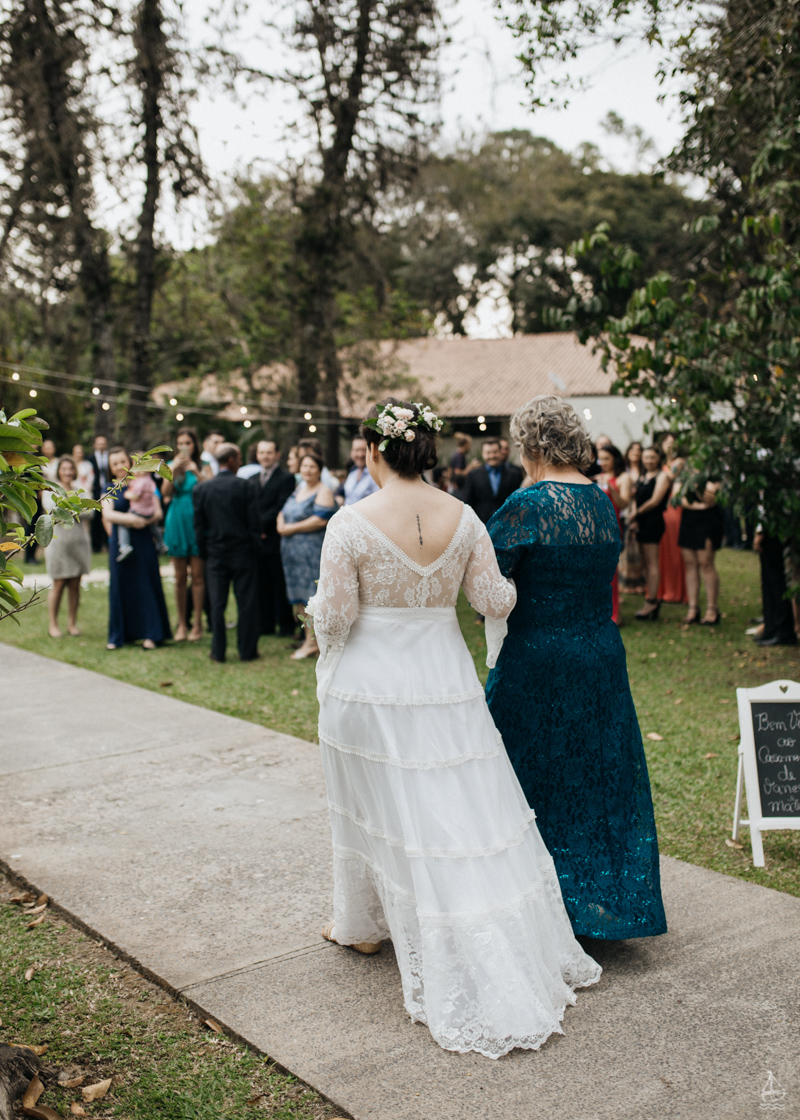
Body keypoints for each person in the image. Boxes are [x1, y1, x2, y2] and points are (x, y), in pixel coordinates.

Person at [306, 396, 601, 1058]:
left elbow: (338, 618)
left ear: (376, 451)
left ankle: (361, 924)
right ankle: (431, 920)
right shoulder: (465, 517)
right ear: (429, 451)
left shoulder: (349, 523)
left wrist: (316, 615)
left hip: (369, 687)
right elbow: (494, 600)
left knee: (372, 809)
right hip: (444, 684)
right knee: (455, 811)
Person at [485, 395, 667, 942]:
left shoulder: (528, 504)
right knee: (598, 773)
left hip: (539, 657)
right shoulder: (602, 500)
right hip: (601, 655)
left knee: (521, 769)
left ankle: (534, 897)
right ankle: (602, 899)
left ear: (532, 445)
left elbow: (488, 590)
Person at [193, 442, 260, 663]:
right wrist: (254, 550)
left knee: (217, 604)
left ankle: (218, 651)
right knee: (246, 603)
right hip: (242, 553)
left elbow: (199, 527)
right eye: (239, 458)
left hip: (216, 554)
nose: (240, 462)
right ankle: (247, 650)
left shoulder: (202, 489)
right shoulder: (246, 486)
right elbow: (254, 523)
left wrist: (205, 553)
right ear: (230, 460)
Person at [102, 447, 171, 650]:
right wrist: (132, 520)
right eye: (114, 463)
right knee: (121, 586)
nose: (119, 467)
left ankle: (152, 634)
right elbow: (108, 515)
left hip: (143, 540)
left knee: (146, 584)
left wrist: (146, 520)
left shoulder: (145, 483)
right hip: (121, 543)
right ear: (110, 468)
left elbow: (158, 512)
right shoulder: (109, 487)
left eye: (122, 461)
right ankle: (120, 635)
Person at [278, 451, 336, 659]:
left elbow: (320, 520)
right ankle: (308, 638)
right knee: (300, 599)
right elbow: (283, 511)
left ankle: (314, 642)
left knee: (312, 597)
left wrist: (291, 528)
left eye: (312, 466)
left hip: (311, 553)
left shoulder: (323, 491)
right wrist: (281, 524)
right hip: (292, 555)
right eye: (304, 466)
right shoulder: (299, 489)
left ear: (320, 470)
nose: (307, 470)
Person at [162, 427, 210, 642]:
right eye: (180, 443)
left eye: (188, 443)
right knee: (180, 577)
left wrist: (195, 471)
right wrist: (173, 471)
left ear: (194, 445)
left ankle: (198, 623)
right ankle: (182, 623)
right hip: (177, 519)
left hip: (198, 520)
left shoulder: (203, 465)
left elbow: (210, 490)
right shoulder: (171, 466)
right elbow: (165, 493)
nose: (184, 447)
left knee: (198, 576)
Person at [249, 438, 296, 637]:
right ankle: (265, 624)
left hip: (277, 538)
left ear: (277, 454)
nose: (265, 456)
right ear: (257, 455)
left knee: (279, 583)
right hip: (258, 540)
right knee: (261, 584)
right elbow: (249, 508)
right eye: (262, 453)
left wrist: (261, 525)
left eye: (269, 452)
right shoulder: (251, 479)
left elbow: (281, 506)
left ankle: (285, 625)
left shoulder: (286, 478)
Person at [42, 456, 92, 638]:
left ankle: (72, 623)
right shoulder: (51, 489)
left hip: (79, 542)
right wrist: (76, 508)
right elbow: (51, 510)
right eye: (64, 469)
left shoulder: (81, 489)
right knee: (59, 583)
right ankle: (53, 624)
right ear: (59, 471)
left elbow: (91, 511)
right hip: (57, 542)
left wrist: (68, 509)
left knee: (75, 584)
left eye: (71, 469)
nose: (68, 472)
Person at [627, 447, 671, 620]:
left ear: (658, 459)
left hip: (653, 521)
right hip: (640, 522)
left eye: (652, 457)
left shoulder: (662, 476)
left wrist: (635, 514)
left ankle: (652, 600)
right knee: (645, 562)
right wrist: (634, 518)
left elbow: (655, 501)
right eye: (646, 457)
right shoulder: (642, 477)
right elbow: (634, 498)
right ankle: (649, 596)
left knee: (652, 562)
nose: (649, 461)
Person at [679, 478, 724, 625]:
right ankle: (693, 608)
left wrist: (697, 486)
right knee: (690, 564)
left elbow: (710, 499)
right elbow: (679, 498)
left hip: (708, 521)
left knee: (706, 564)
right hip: (688, 520)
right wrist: (699, 506)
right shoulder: (686, 474)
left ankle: (712, 609)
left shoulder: (715, 475)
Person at [596, 444, 631, 625]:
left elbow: (624, 504)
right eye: (600, 459)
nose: (603, 463)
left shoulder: (623, 478)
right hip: (595, 529)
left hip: (612, 528)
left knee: (611, 573)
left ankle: (614, 614)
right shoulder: (597, 477)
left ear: (615, 459)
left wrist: (611, 487)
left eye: (607, 459)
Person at [457, 438, 522, 523]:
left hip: (508, 525)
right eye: (488, 453)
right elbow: (467, 502)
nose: (492, 456)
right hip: (482, 526)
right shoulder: (473, 475)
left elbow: (518, 502)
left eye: (495, 452)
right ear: (483, 454)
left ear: (500, 453)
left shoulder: (514, 475)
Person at [753, 532, 798, 647]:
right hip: (771, 529)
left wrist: (761, 531)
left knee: (775, 579)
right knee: (769, 579)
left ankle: (783, 629)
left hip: (775, 531)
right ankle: (771, 626)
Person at [658, 455, 688, 606]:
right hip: (664, 505)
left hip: (673, 506)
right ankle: (664, 588)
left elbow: (670, 476)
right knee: (664, 550)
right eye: (666, 443)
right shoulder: (664, 462)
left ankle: (675, 590)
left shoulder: (679, 462)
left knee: (674, 550)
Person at [116, 471, 166, 561]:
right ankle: (161, 542)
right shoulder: (150, 481)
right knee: (153, 526)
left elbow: (135, 496)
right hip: (149, 512)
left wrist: (126, 494)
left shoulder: (142, 481)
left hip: (138, 511)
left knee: (123, 524)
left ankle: (124, 546)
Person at [88, 435, 110, 553]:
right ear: (95, 445)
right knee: (95, 519)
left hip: (108, 490)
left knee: (107, 515)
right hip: (95, 491)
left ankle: (108, 543)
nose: (101, 445)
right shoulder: (90, 459)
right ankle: (96, 546)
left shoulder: (110, 458)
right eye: (99, 443)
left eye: (103, 443)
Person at [342, 436, 379, 504]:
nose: (360, 454)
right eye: (356, 450)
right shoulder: (352, 473)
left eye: (364, 450)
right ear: (351, 452)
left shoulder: (375, 476)